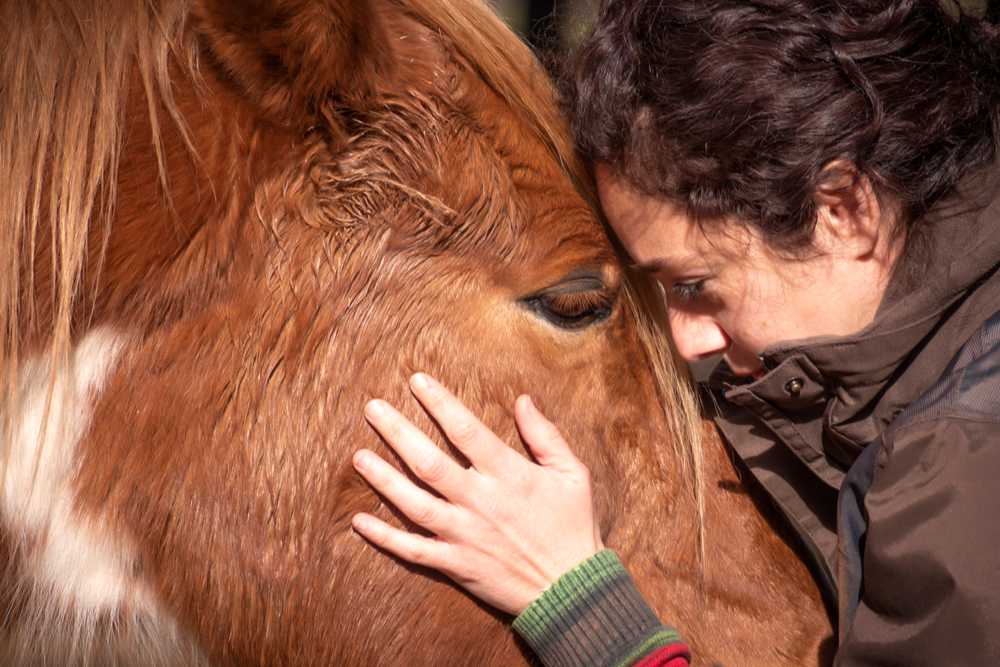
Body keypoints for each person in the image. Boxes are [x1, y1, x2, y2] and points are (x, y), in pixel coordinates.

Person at [350, 0, 1000, 664]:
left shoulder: (959, 472)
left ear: (844, 209)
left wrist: (582, 607)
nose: (689, 342)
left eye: (694, 284)